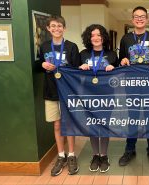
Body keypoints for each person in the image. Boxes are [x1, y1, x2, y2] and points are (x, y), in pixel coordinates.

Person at [118, 6, 149, 167]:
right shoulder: (125, 38)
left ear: (147, 19)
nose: (139, 19)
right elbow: (120, 60)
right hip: (132, 83)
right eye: (136, 16)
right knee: (133, 117)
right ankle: (130, 149)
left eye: (142, 16)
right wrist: (122, 61)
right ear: (132, 19)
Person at [40, 15, 81, 176]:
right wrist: (42, 64)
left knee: (68, 124)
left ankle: (71, 155)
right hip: (50, 91)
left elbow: (77, 70)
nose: (56, 29)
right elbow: (39, 66)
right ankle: (61, 155)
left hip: (68, 91)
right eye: (53, 26)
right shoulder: (44, 47)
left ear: (64, 28)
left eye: (59, 26)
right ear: (48, 29)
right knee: (57, 125)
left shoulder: (72, 47)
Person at [79, 24, 118, 173]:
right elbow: (74, 74)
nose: (95, 38)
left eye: (98, 35)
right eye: (92, 35)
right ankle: (95, 155)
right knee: (92, 125)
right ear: (89, 38)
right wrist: (80, 67)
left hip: (107, 95)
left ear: (103, 37)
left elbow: (119, 75)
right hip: (88, 94)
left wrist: (113, 69)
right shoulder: (83, 54)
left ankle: (104, 155)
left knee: (104, 125)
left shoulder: (112, 55)